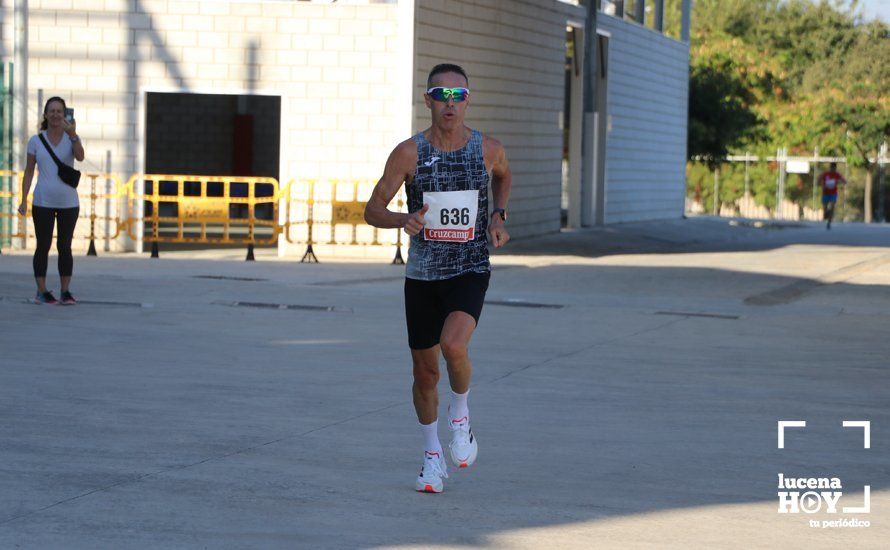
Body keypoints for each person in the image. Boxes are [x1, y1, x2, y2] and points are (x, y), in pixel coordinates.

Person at [364, 63, 512, 493]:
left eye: (458, 96)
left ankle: (461, 414)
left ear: (468, 100)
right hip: (423, 274)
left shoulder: (488, 148)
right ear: (427, 100)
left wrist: (498, 216)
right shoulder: (408, 153)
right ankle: (431, 456)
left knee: (454, 345)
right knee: (425, 373)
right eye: (440, 95)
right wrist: (401, 219)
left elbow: (503, 177)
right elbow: (372, 209)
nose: (450, 104)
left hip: (469, 267)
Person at [17, 96, 85, 305]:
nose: (55, 114)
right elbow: (29, 171)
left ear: (64, 115)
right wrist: (24, 199)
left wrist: (73, 135)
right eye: (52, 111)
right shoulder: (35, 141)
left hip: (68, 203)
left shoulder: (71, 138)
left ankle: (65, 291)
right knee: (43, 245)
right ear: (46, 115)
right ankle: (42, 291)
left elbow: (80, 157)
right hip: (43, 201)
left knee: (65, 246)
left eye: (59, 111)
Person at [818, 162, 846, 230]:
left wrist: (840, 182)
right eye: (832, 168)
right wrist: (820, 183)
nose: (833, 170)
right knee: (825, 208)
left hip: (833, 193)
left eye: (834, 168)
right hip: (825, 193)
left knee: (832, 206)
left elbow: (844, 180)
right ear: (830, 168)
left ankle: (829, 222)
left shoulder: (837, 175)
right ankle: (826, 213)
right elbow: (819, 179)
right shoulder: (826, 174)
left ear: (835, 168)